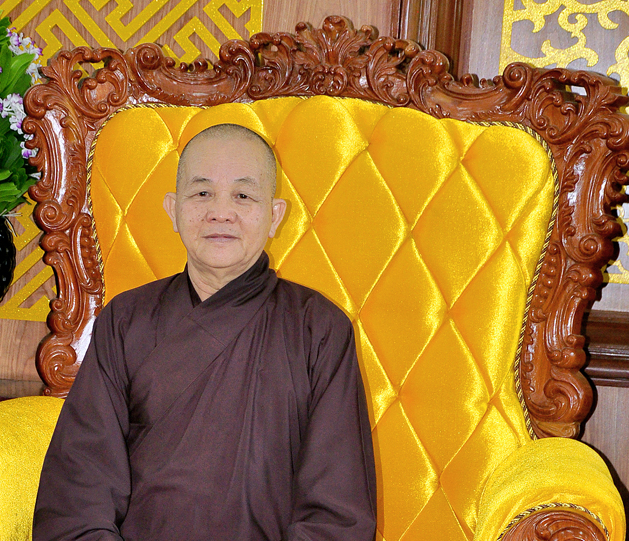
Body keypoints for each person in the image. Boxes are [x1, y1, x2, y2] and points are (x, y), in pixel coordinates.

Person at [33, 124, 377, 541]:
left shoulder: (318, 330)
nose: (220, 212)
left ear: (275, 216)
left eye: (243, 196)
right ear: (173, 210)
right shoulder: (126, 320)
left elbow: (337, 514)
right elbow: (78, 492)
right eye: (202, 193)